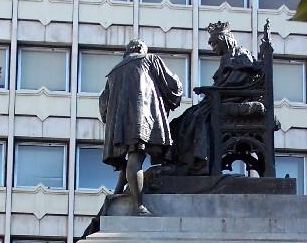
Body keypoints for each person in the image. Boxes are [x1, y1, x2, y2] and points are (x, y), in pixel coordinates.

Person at [99, 39, 183, 215]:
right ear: (141, 49)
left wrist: (115, 120)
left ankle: (118, 192)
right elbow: (172, 86)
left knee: (129, 157)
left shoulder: (114, 72)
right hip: (141, 116)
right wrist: (177, 91)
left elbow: (103, 104)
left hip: (119, 123)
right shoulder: (149, 59)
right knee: (136, 156)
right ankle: (139, 206)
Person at [168, 21, 260, 173]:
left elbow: (237, 83)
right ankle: (185, 161)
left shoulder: (241, 54)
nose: (213, 48)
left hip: (232, 99)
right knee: (183, 119)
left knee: (197, 118)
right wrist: (210, 91)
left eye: (215, 44)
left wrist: (211, 91)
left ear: (224, 40)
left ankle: (200, 162)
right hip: (220, 98)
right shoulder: (227, 57)